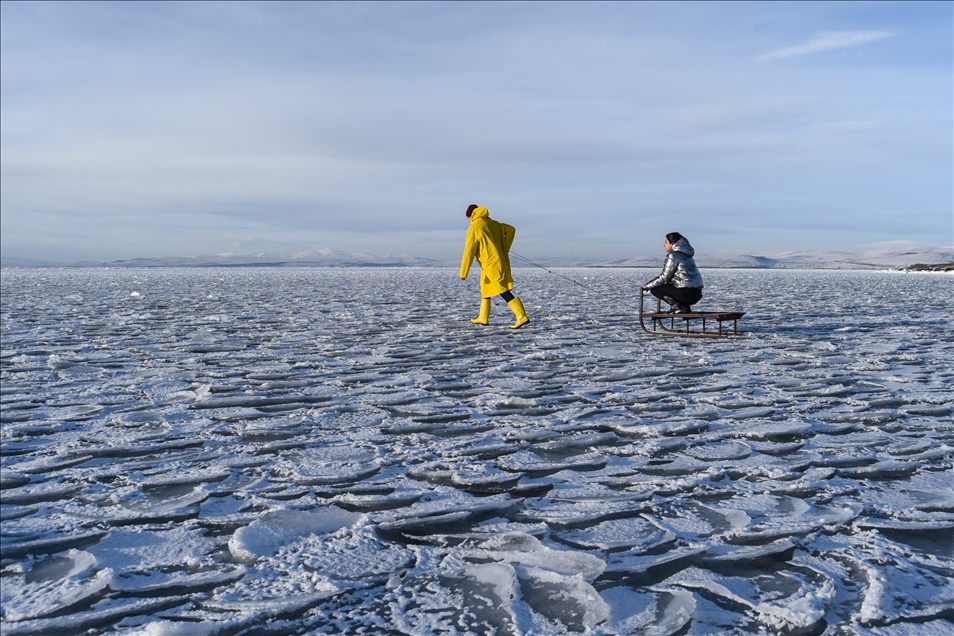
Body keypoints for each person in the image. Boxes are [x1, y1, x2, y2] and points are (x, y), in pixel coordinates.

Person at [460, 204, 530, 329]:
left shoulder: (474, 228)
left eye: (468, 217)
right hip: (496, 262)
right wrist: (505, 247)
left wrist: (463, 272)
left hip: (491, 264)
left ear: (471, 215)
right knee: (485, 289)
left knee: (502, 290)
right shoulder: (494, 224)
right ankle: (483, 317)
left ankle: (521, 316)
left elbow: (469, 251)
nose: (468, 220)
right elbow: (511, 229)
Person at [642, 232, 704, 314]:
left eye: (666, 242)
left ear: (672, 243)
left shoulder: (673, 255)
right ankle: (684, 307)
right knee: (666, 286)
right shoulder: (687, 255)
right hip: (696, 293)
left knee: (655, 289)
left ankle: (677, 307)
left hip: (686, 294)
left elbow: (664, 278)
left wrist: (647, 286)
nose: (664, 245)